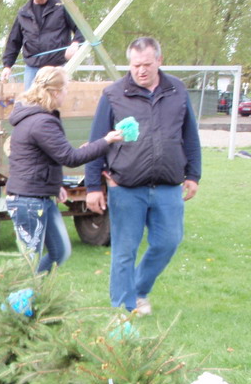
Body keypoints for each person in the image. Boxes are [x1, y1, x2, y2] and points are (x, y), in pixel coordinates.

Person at [85, 37, 201, 316]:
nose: (141, 71)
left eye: (147, 64)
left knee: (168, 242)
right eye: (135, 65)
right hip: (126, 186)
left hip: (168, 186)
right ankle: (122, 310)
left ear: (159, 60)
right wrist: (93, 186)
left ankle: (138, 290)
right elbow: (97, 141)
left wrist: (194, 174)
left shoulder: (178, 91)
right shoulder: (114, 94)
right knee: (124, 250)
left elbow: (190, 136)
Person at [6, 66, 123, 273]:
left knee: (60, 251)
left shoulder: (38, 118)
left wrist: (55, 185)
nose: (67, 93)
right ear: (55, 91)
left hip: (40, 196)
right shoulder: (41, 122)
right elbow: (70, 158)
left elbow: (43, 158)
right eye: (66, 88)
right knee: (28, 264)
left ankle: (32, 295)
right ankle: (19, 302)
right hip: (28, 201)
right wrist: (106, 141)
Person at [0, 0, 84, 89]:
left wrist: (75, 44)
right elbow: (14, 41)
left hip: (57, 66)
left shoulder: (61, 6)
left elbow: (81, 28)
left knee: (55, 102)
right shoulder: (23, 13)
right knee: (30, 104)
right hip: (33, 67)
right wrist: (7, 66)